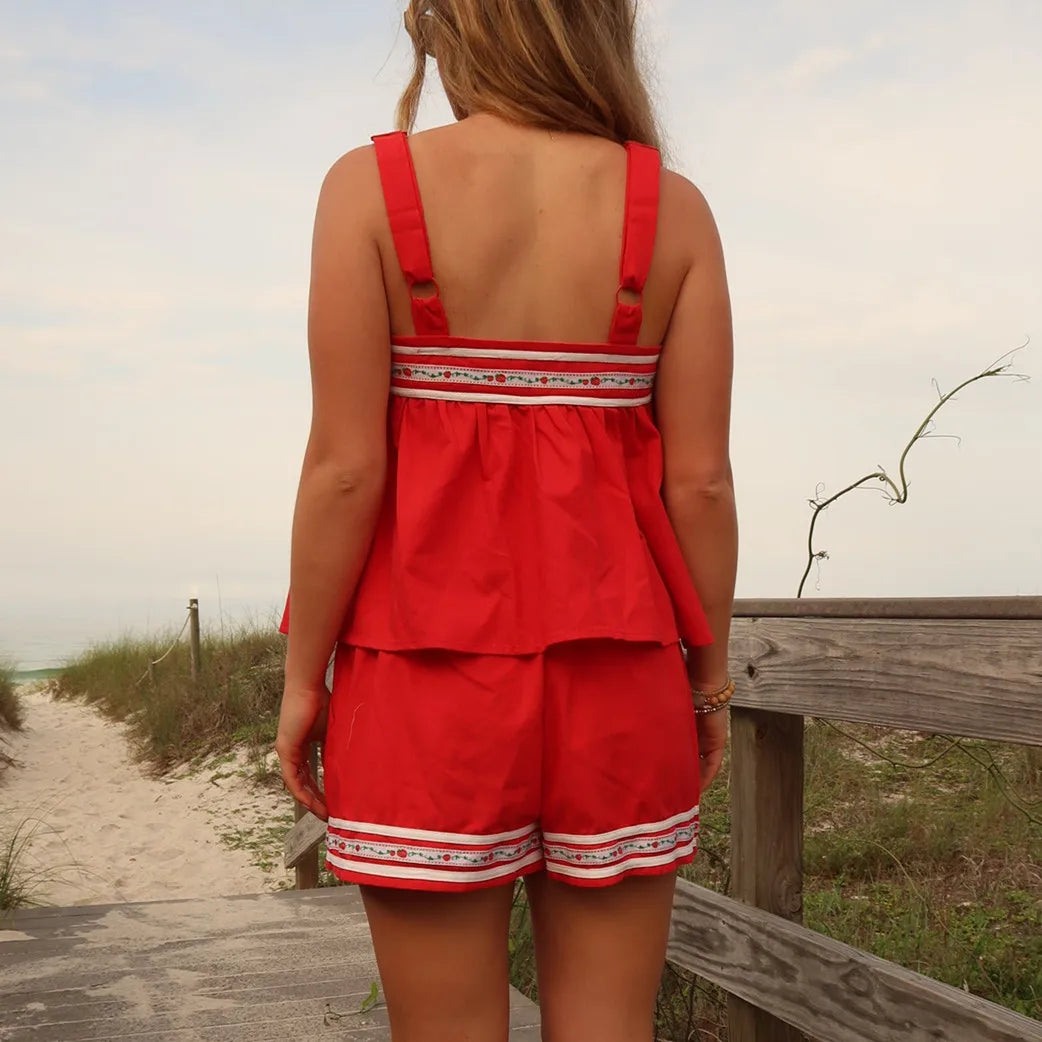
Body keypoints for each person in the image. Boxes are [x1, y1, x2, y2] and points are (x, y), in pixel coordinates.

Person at [275, 2, 737, 1039]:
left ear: (456, 28)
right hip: (621, 678)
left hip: (423, 680)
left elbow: (346, 470)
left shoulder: (371, 190)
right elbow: (699, 483)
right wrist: (708, 679)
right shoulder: (674, 209)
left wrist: (305, 679)